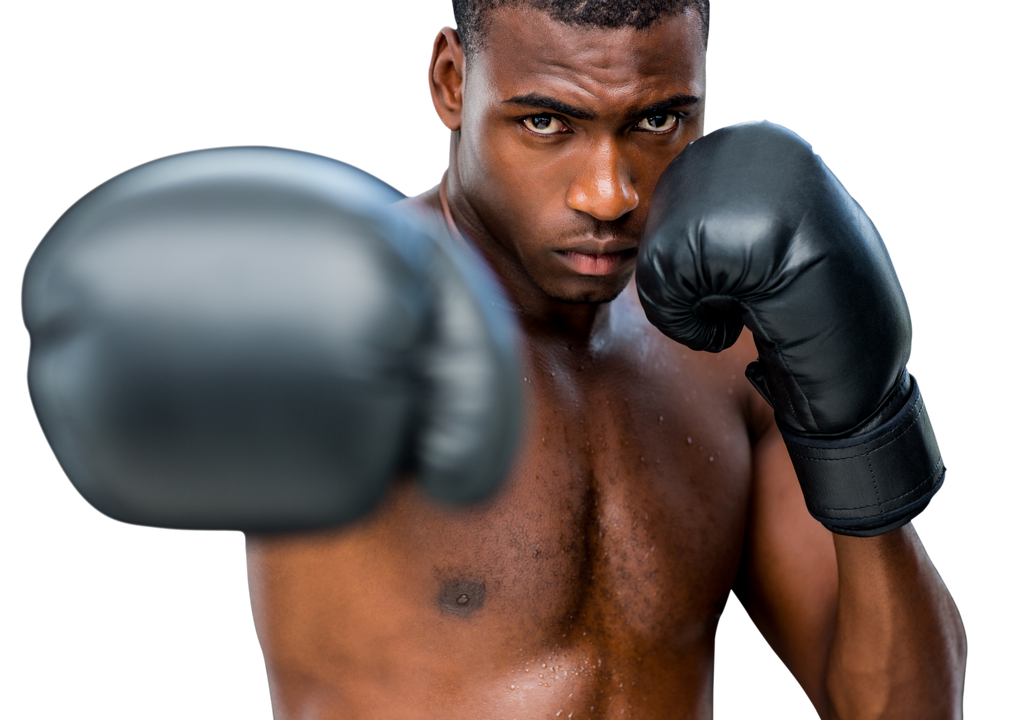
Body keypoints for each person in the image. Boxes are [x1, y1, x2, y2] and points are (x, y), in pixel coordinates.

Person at [19, 2, 968, 719]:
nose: (610, 193)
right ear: (448, 81)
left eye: (658, 122)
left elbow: (899, 712)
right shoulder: (340, 311)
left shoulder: (730, 343)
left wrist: (861, 420)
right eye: (547, 123)